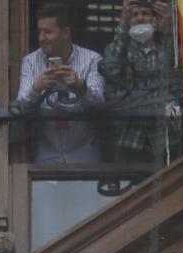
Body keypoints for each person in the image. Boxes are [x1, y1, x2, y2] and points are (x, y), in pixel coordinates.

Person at [15, 4, 107, 164]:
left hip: (85, 156)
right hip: (46, 156)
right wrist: (36, 88)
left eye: (47, 32)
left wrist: (80, 86)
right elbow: (20, 106)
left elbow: (100, 102)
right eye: (40, 31)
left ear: (65, 32)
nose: (41, 37)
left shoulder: (93, 60)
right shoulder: (30, 62)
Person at [99, 0, 183, 161]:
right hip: (129, 139)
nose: (139, 18)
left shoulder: (165, 50)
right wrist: (123, 23)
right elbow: (112, 70)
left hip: (167, 139)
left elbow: (179, 78)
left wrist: (168, 29)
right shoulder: (117, 49)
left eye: (145, 14)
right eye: (134, 15)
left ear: (154, 19)